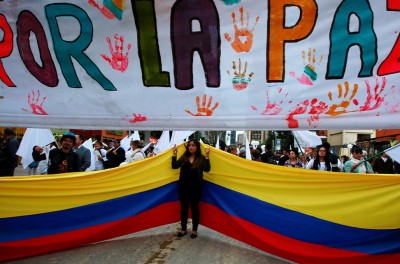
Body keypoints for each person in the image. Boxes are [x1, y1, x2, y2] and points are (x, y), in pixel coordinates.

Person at [172, 139, 210, 239]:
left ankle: (194, 230)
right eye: (189, 145)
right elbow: (174, 166)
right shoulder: (184, 157)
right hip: (183, 187)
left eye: (193, 145)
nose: (191, 147)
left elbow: (207, 169)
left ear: (197, 147)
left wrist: (207, 155)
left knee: (195, 209)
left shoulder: (201, 158)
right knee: (184, 209)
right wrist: (174, 154)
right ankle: (183, 229)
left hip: (196, 188)